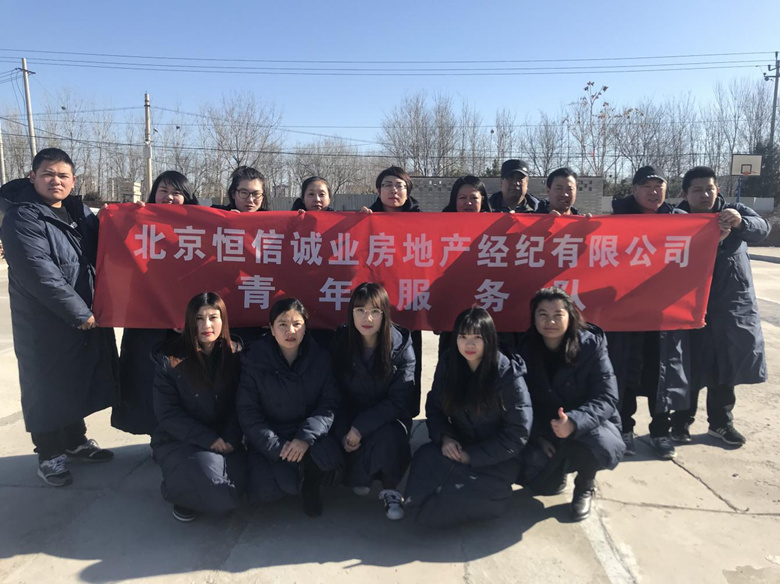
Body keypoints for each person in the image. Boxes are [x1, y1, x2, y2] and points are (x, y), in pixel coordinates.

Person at [1, 148, 117, 487]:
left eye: (63, 175)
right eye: (48, 174)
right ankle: (49, 454)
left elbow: (113, 243)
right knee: (46, 387)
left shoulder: (79, 212)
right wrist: (79, 312)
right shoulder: (22, 217)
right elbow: (39, 273)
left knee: (73, 382)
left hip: (84, 316)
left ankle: (75, 441)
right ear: (32, 177)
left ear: (73, 180)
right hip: (44, 322)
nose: (56, 180)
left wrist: (136, 216)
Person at [404, 307, 532, 528]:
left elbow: (518, 433)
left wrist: (472, 456)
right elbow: (434, 407)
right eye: (463, 337)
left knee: (481, 495)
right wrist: (446, 438)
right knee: (425, 457)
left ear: (489, 339)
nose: (469, 345)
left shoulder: (507, 373)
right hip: (460, 443)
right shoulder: (449, 363)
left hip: (496, 457)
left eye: (477, 338)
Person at [670, 166, 770, 446]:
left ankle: (721, 423)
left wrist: (741, 223)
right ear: (685, 194)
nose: (704, 195)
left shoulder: (733, 212)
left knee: (725, 366)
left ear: (718, 190)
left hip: (729, 305)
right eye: (697, 190)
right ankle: (680, 422)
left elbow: (762, 229)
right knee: (688, 365)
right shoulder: (676, 220)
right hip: (688, 305)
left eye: (709, 189)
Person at [518, 287, 624, 521]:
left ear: (571, 316)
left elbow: (607, 397)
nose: (550, 322)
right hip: (547, 428)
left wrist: (574, 422)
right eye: (543, 314)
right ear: (534, 318)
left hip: (588, 426)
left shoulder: (591, 346)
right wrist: (538, 436)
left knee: (602, 443)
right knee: (541, 484)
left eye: (558, 315)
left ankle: (585, 484)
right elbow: (520, 402)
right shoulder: (525, 348)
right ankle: (558, 467)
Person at [608, 166, 691, 460]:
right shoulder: (616, 221)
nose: (654, 192)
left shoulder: (681, 222)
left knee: (661, 373)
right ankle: (625, 429)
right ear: (634, 191)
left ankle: (660, 431)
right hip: (626, 313)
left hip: (663, 315)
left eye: (659, 186)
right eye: (647, 186)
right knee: (626, 371)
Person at [112, 171, 199, 436]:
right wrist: (125, 217)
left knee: (183, 382)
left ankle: (180, 436)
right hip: (146, 319)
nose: (170, 197)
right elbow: (115, 255)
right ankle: (156, 437)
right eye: (164, 191)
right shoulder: (138, 222)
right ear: (154, 193)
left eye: (177, 192)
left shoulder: (200, 227)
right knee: (146, 379)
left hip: (183, 322)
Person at [238, 298, 343, 517]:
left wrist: (305, 437)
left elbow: (329, 404)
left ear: (306, 327)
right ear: (271, 329)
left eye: (297, 324)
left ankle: (311, 486)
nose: (290, 331)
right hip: (272, 435)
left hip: (308, 434)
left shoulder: (320, 358)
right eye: (282, 324)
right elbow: (248, 412)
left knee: (325, 456)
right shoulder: (254, 360)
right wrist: (276, 446)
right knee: (267, 489)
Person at [151, 292, 246, 522]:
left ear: (223, 320)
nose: (206, 326)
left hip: (225, 438)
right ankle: (177, 492)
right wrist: (208, 439)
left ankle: (195, 487)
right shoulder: (170, 360)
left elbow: (242, 403)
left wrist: (231, 437)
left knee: (241, 489)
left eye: (213, 318)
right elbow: (168, 414)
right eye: (199, 319)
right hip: (182, 440)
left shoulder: (235, 354)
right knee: (213, 488)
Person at [332, 283, 415, 520]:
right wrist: (345, 430)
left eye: (375, 312)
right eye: (360, 310)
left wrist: (361, 427)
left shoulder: (401, 347)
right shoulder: (341, 341)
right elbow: (333, 392)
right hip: (351, 416)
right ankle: (361, 474)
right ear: (351, 313)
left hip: (388, 420)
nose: (367, 318)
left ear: (384, 314)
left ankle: (390, 489)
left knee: (389, 435)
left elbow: (398, 401)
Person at [361, 166, 424, 416]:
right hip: (374, 305)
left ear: (408, 191)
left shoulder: (423, 222)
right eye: (387, 185)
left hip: (408, 303)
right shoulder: (365, 219)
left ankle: (404, 418)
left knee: (407, 364)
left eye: (399, 185)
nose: (393, 190)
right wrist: (358, 223)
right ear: (378, 190)